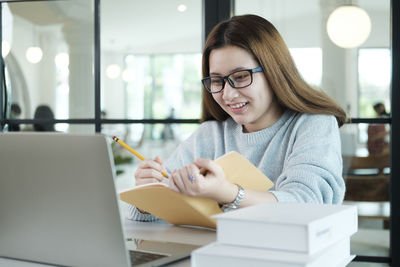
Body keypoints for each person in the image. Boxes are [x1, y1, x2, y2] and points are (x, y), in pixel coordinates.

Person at [128, 14, 347, 221]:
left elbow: (307, 204)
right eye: (217, 81)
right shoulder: (211, 134)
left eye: (241, 77)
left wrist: (230, 194)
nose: (227, 94)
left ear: (274, 71)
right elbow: (149, 212)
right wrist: (146, 195)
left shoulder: (313, 124)